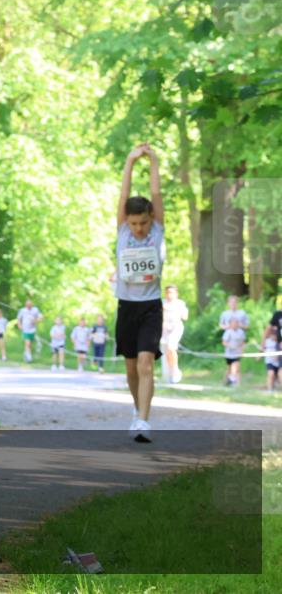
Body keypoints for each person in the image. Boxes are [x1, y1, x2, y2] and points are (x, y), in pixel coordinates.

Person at [115, 142, 165, 443]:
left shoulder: (157, 228)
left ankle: (144, 421)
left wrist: (154, 160)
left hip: (150, 306)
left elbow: (157, 194)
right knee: (132, 367)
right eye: (133, 223)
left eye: (143, 222)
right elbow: (124, 194)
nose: (138, 229)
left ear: (150, 218)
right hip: (126, 305)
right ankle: (137, 410)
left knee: (147, 363)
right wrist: (131, 160)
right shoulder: (122, 229)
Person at [160, 285, 188, 384]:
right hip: (164, 329)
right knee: (167, 351)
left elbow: (185, 317)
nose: (169, 295)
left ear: (176, 293)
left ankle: (175, 370)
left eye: (172, 292)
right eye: (168, 292)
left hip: (176, 328)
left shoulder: (180, 304)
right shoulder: (162, 303)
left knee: (171, 348)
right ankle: (170, 373)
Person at [218, 295, 249, 383]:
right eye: (231, 302)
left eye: (235, 302)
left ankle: (236, 382)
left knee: (236, 365)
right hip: (229, 340)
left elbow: (247, 326)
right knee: (229, 366)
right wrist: (229, 327)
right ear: (228, 303)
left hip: (238, 340)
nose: (233, 304)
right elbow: (221, 325)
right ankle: (227, 381)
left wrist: (238, 325)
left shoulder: (242, 313)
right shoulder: (225, 313)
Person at [222, 318, 246, 386]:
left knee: (236, 367)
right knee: (229, 368)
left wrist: (242, 350)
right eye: (233, 323)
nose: (235, 324)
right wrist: (230, 346)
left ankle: (237, 383)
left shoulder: (241, 332)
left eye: (236, 323)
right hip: (229, 353)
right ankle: (226, 381)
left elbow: (243, 342)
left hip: (237, 353)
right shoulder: (228, 332)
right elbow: (224, 342)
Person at [262, 324, 280, 392]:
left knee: (276, 377)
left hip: (278, 362)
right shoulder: (267, 341)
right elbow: (263, 349)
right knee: (270, 374)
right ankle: (269, 389)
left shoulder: (279, 343)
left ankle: (274, 388)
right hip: (269, 361)